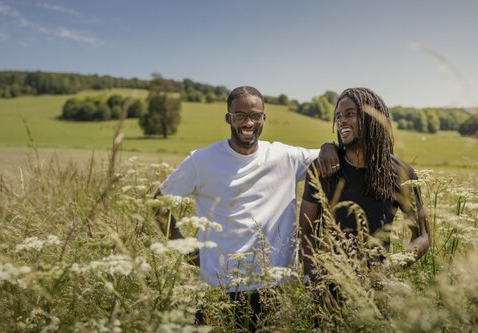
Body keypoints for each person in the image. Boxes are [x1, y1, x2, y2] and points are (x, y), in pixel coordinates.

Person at [155, 86, 339, 330]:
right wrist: (186, 249)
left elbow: (330, 158)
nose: (248, 122)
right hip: (219, 290)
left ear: (263, 118)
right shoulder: (202, 160)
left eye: (254, 115)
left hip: (275, 288)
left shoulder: (285, 157)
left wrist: (329, 145)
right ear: (228, 118)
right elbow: (157, 204)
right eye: (239, 115)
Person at [299, 87, 430, 284]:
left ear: (372, 118)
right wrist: (314, 281)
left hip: (377, 289)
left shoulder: (401, 172)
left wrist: (389, 268)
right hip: (329, 289)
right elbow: (305, 232)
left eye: (350, 114)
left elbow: (423, 236)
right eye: (338, 116)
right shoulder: (323, 168)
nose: (341, 120)